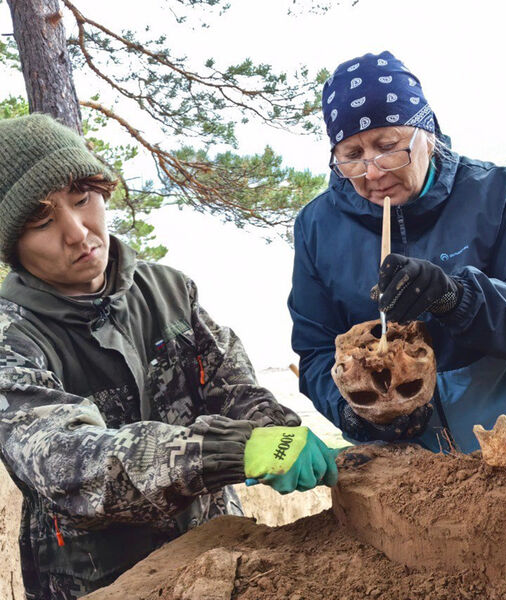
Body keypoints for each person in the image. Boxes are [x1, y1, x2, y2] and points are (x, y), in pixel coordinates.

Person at [0, 114, 338, 599]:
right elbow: (69, 462)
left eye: (82, 201)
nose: (77, 232)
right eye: (42, 222)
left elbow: (233, 387)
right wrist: (224, 451)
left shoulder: (170, 290)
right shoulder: (11, 338)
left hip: (218, 560)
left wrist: (279, 432)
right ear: (13, 244)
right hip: (99, 583)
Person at [288, 51, 506, 469]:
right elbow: (314, 352)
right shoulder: (317, 225)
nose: (373, 172)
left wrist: (456, 298)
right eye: (351, 154)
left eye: (388, 147)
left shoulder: (490, 193)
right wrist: (361, 415)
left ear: (428, 134)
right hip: (415, 467)